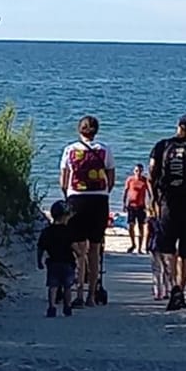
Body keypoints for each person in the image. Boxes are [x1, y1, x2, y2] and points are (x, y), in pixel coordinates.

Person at [148, 112, 186, 312]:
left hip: (167, 203)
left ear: (178, 125)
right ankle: (180, 292)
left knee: (168, 249)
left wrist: (154, 199)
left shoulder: (161, 145)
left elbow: (152, 171)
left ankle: (173, 286)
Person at [59, 114, 115, 307]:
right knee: (95, 249)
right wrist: (103, 192)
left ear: (79, 130)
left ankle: (79, 295)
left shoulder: (70, 150)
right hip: (99, 200)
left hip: (76, 200)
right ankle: (92, 295)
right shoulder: (105, 150)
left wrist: (68, 196)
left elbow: (63, 180)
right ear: (96, 131)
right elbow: (111, 179)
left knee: (79, 250)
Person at [37, 200, 76, 318]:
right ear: (65, 216)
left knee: (52, 287)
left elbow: (40, 248)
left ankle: (52, 307)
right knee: (67, 287)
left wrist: (39, 261)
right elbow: (73, 246)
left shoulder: (47, 231)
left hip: (53, 262)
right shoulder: (69, 231)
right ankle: (67, 306)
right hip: (67, 263)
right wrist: (80, 254)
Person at [121, 163, 152, 253]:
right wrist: (124, 203)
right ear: (134, 171)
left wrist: (150, 204)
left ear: (142, 171)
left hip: (141, 206)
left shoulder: (144, 180)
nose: (138, 172)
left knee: (141, 227)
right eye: (136, 171)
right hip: (131, 206)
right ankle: (133, 244)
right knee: (131, 225)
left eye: (140, 171)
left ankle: (140, 247)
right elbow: (126, 192)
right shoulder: (130, 180)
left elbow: (150, 193)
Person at [146, 205, 172, 300]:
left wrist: (146, 245)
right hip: (166, 244)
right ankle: (167, 290)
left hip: (154, 245)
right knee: (167, 268)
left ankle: (158, 292)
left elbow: (148, 233)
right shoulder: (168, 218)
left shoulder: (151, 220)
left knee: (156, 270)